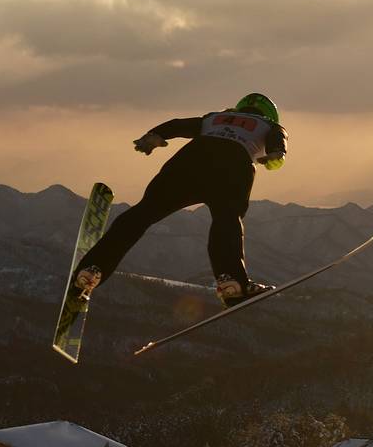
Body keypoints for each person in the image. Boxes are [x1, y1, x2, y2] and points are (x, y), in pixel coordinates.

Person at [70, 92, 287, 308]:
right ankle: (232, 282)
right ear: (270, 114)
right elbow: (278, 143)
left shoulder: (215, 117)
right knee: (227, 220)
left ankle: (92, 269)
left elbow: (177, 124)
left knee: (143, 213)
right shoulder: (270, 125)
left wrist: (154, 136)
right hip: (233, 166)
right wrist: (277, 155)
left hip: (190, 160)